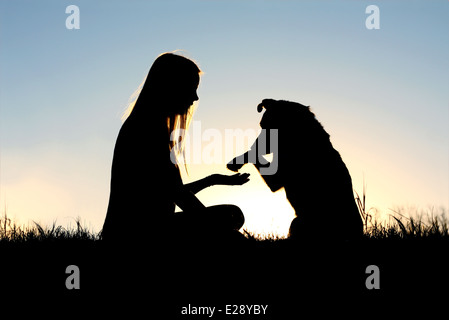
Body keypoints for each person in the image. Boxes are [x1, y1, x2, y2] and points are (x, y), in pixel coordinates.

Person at [101, 52, 249, 245]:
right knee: (231, 224)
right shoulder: (147, 127)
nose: (195, 97)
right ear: (172, 86)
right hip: (135, 234)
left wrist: (213, 180)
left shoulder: (149, 124)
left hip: (137, 229)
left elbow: (168, 190)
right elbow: (178, 195)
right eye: (191, 88)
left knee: (231, 216)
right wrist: (212, 226)